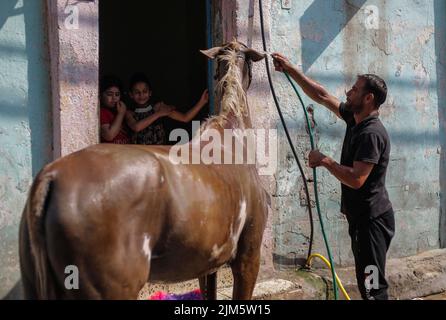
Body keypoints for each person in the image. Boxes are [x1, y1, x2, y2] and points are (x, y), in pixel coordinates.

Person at [272, 53, 395, 300]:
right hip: (362, 220)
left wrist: (325, 161)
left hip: (371, 223)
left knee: (373, 289)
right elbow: (322, 96)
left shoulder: (370, 134)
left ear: (368, 98)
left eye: (355, 89)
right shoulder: (355, 119)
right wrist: (290, 69)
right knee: (367, 285)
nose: (348, 92)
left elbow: (357, 179)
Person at [125, 72, 209, 145]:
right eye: (137, 92)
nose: (141, 95)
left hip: (159, 156)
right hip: (138, 157)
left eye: (144, 91)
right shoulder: (129, 113)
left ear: (150, 93)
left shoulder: (159, 107)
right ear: (131, 94)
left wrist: (202, 102)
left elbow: (185, 118)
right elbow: (136, 127)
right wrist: (158, 114)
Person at [99, 75, 131, 144]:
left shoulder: (120, 110)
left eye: (117, 94)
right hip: (111, 153)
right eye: (109, 94)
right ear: (101, 95)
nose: (114, 98)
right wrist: (121, 114)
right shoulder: (102, 112)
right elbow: (109, 135)